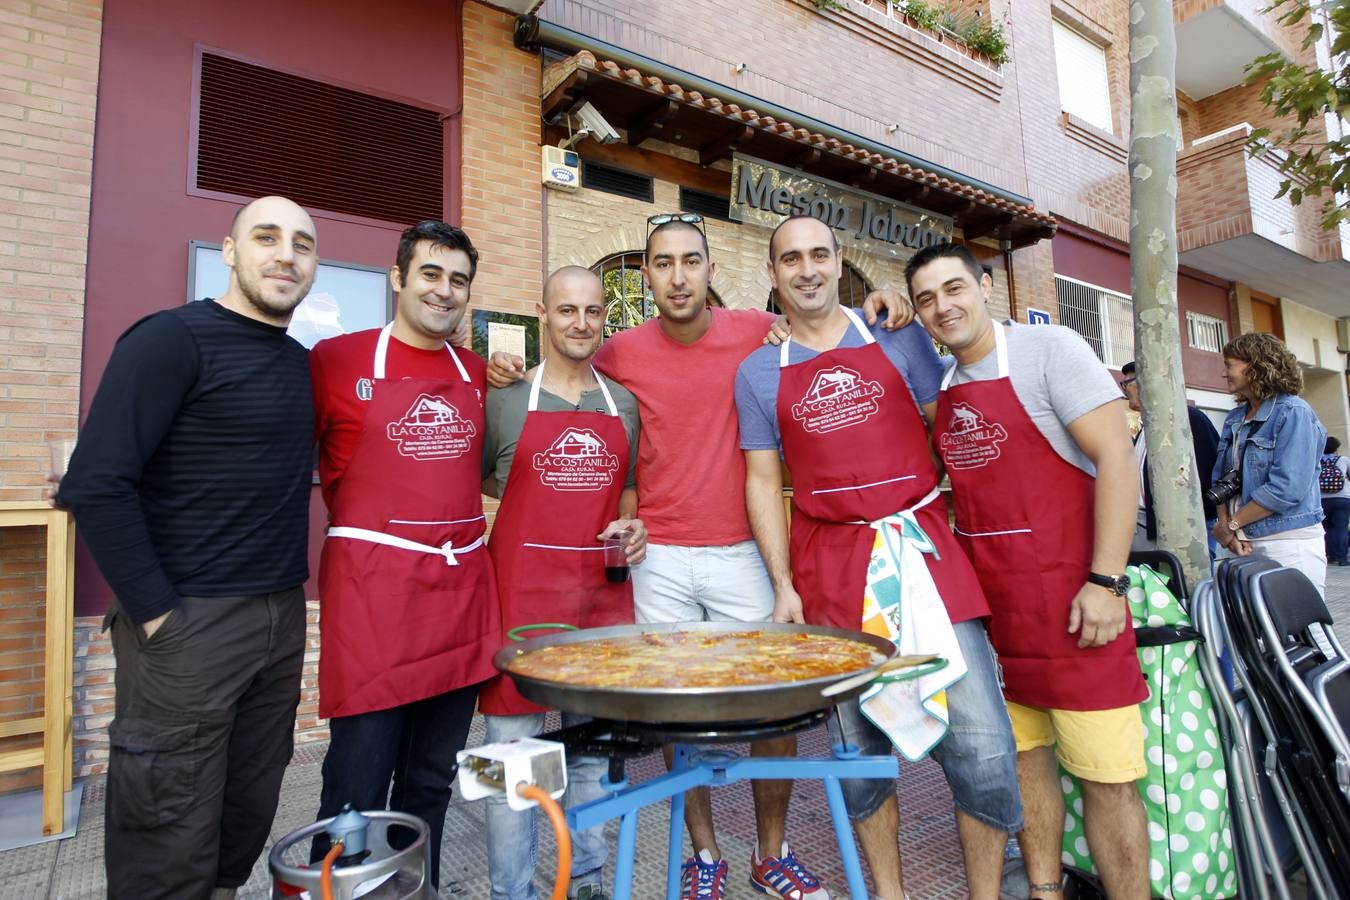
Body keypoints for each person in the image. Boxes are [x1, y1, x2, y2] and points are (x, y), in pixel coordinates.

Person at [489, 213, 911, 900]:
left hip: (743, 550)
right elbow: (557, 372)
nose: (679, 276)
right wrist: (499, 366)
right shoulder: (618, 350)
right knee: (674, 713)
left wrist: (879, 302)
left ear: (713, 270)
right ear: (646, 274)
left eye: (692, 261)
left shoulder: (755, 329)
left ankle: (769, 851)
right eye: (663, 263)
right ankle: (705, 853)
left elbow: (822, 321)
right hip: (658, 559)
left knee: (778, 708)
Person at [736, 215, 1021, 900]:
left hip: (923, 554)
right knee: (859, 757)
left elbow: (951, 426)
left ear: (840, 264)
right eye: (790, 259)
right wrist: (782, 584)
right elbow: (760, 480)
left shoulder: (896, 336)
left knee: (981, 743)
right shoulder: (756, 370)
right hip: (832, 568)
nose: (806, 269)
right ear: (773, 275)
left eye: (818, 255)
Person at [59, 196, 318, 900]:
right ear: (230, 252)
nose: (285, 254)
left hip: (278, 616)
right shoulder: (171, 340)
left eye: (301, 243)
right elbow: (97, 484)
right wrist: (157, 618)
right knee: (167, 819)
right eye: (265, 237)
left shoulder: (300, 365)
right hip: (190, 622)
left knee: (248, 801)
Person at [909, 242, 1150, 899]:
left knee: (1108, 778)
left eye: (954, 288)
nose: (943, 306)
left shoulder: (1053, 350)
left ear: (986, 286)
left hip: (1080, 612)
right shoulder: (945, 388)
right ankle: (1044, 892)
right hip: (998, 622)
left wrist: (1107, 583)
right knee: (1024, 768)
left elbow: (1119, 463)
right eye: (926, 299)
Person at [308, 220, 499, 887]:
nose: (444, 292)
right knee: (356, 786)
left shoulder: (475, 373)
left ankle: (421, 886)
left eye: (458, 280)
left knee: (429, 778)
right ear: (398, 278)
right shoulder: (334, 361)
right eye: (430, 274)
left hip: (455, 602)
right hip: (374, 603)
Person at [478, 266, 646, 900]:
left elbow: (626, 489)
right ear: (541, 313)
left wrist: (633, 527)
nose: (581, 323)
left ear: (605, 318)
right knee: (510, 761)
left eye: (593, 312)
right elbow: (480, 485)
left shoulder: (622, 403)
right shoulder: (504, 399)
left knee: (594, 755)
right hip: (521, 598)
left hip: (601, 599)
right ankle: (510, 892)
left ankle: (589, 882)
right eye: (567, 310)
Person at [1211, 332, 1329, 595]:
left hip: (1286, 540)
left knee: (1304, 631)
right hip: (1238, 540)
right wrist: (1226, 528)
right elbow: (1220, 479)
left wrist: (1232, 525)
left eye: (1229, 365)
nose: (1224, 373)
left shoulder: (1294, 412)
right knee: (1250, 632)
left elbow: (1287, 487)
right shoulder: (1234, 417)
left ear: (1255, 366)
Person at [1119, 360, 1220, 552]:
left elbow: (1211, 474)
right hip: (1150, 526)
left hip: (1185, 531)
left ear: (1145, 382)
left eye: (1127, 383)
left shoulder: (1189, 420)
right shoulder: (1147, 427)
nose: (1124, 390)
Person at [1322, 437, 1350, 567]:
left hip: (1322, 500)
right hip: (1342, 498)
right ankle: (1342, 558)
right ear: (1336, 448)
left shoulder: (1317, 460)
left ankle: (1329, 555)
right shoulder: (1343, 460)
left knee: (1326, 528)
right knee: (1341, 528)